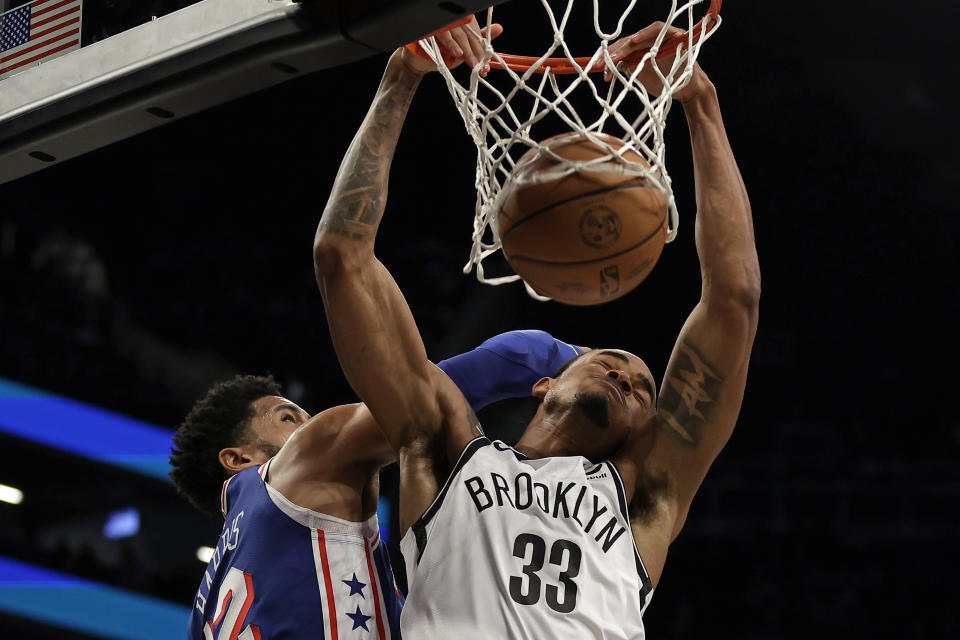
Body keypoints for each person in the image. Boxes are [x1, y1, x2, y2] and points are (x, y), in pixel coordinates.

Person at [313, 19, 760, 639]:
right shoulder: (443, 446)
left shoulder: (645, 493)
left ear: (647, 430)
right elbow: (340, 257)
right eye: (610, 360)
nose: (626, 376)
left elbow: (734, 298)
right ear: (543, 384)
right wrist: (402, 76)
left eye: (643, 385)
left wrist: (699, 102)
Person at [170, 328, 582, 639]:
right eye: (288, 418)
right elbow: (502, 361)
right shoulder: (299, 466)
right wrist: (591, 365)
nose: (310, 426)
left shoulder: (203, 614)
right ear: (239, 459)